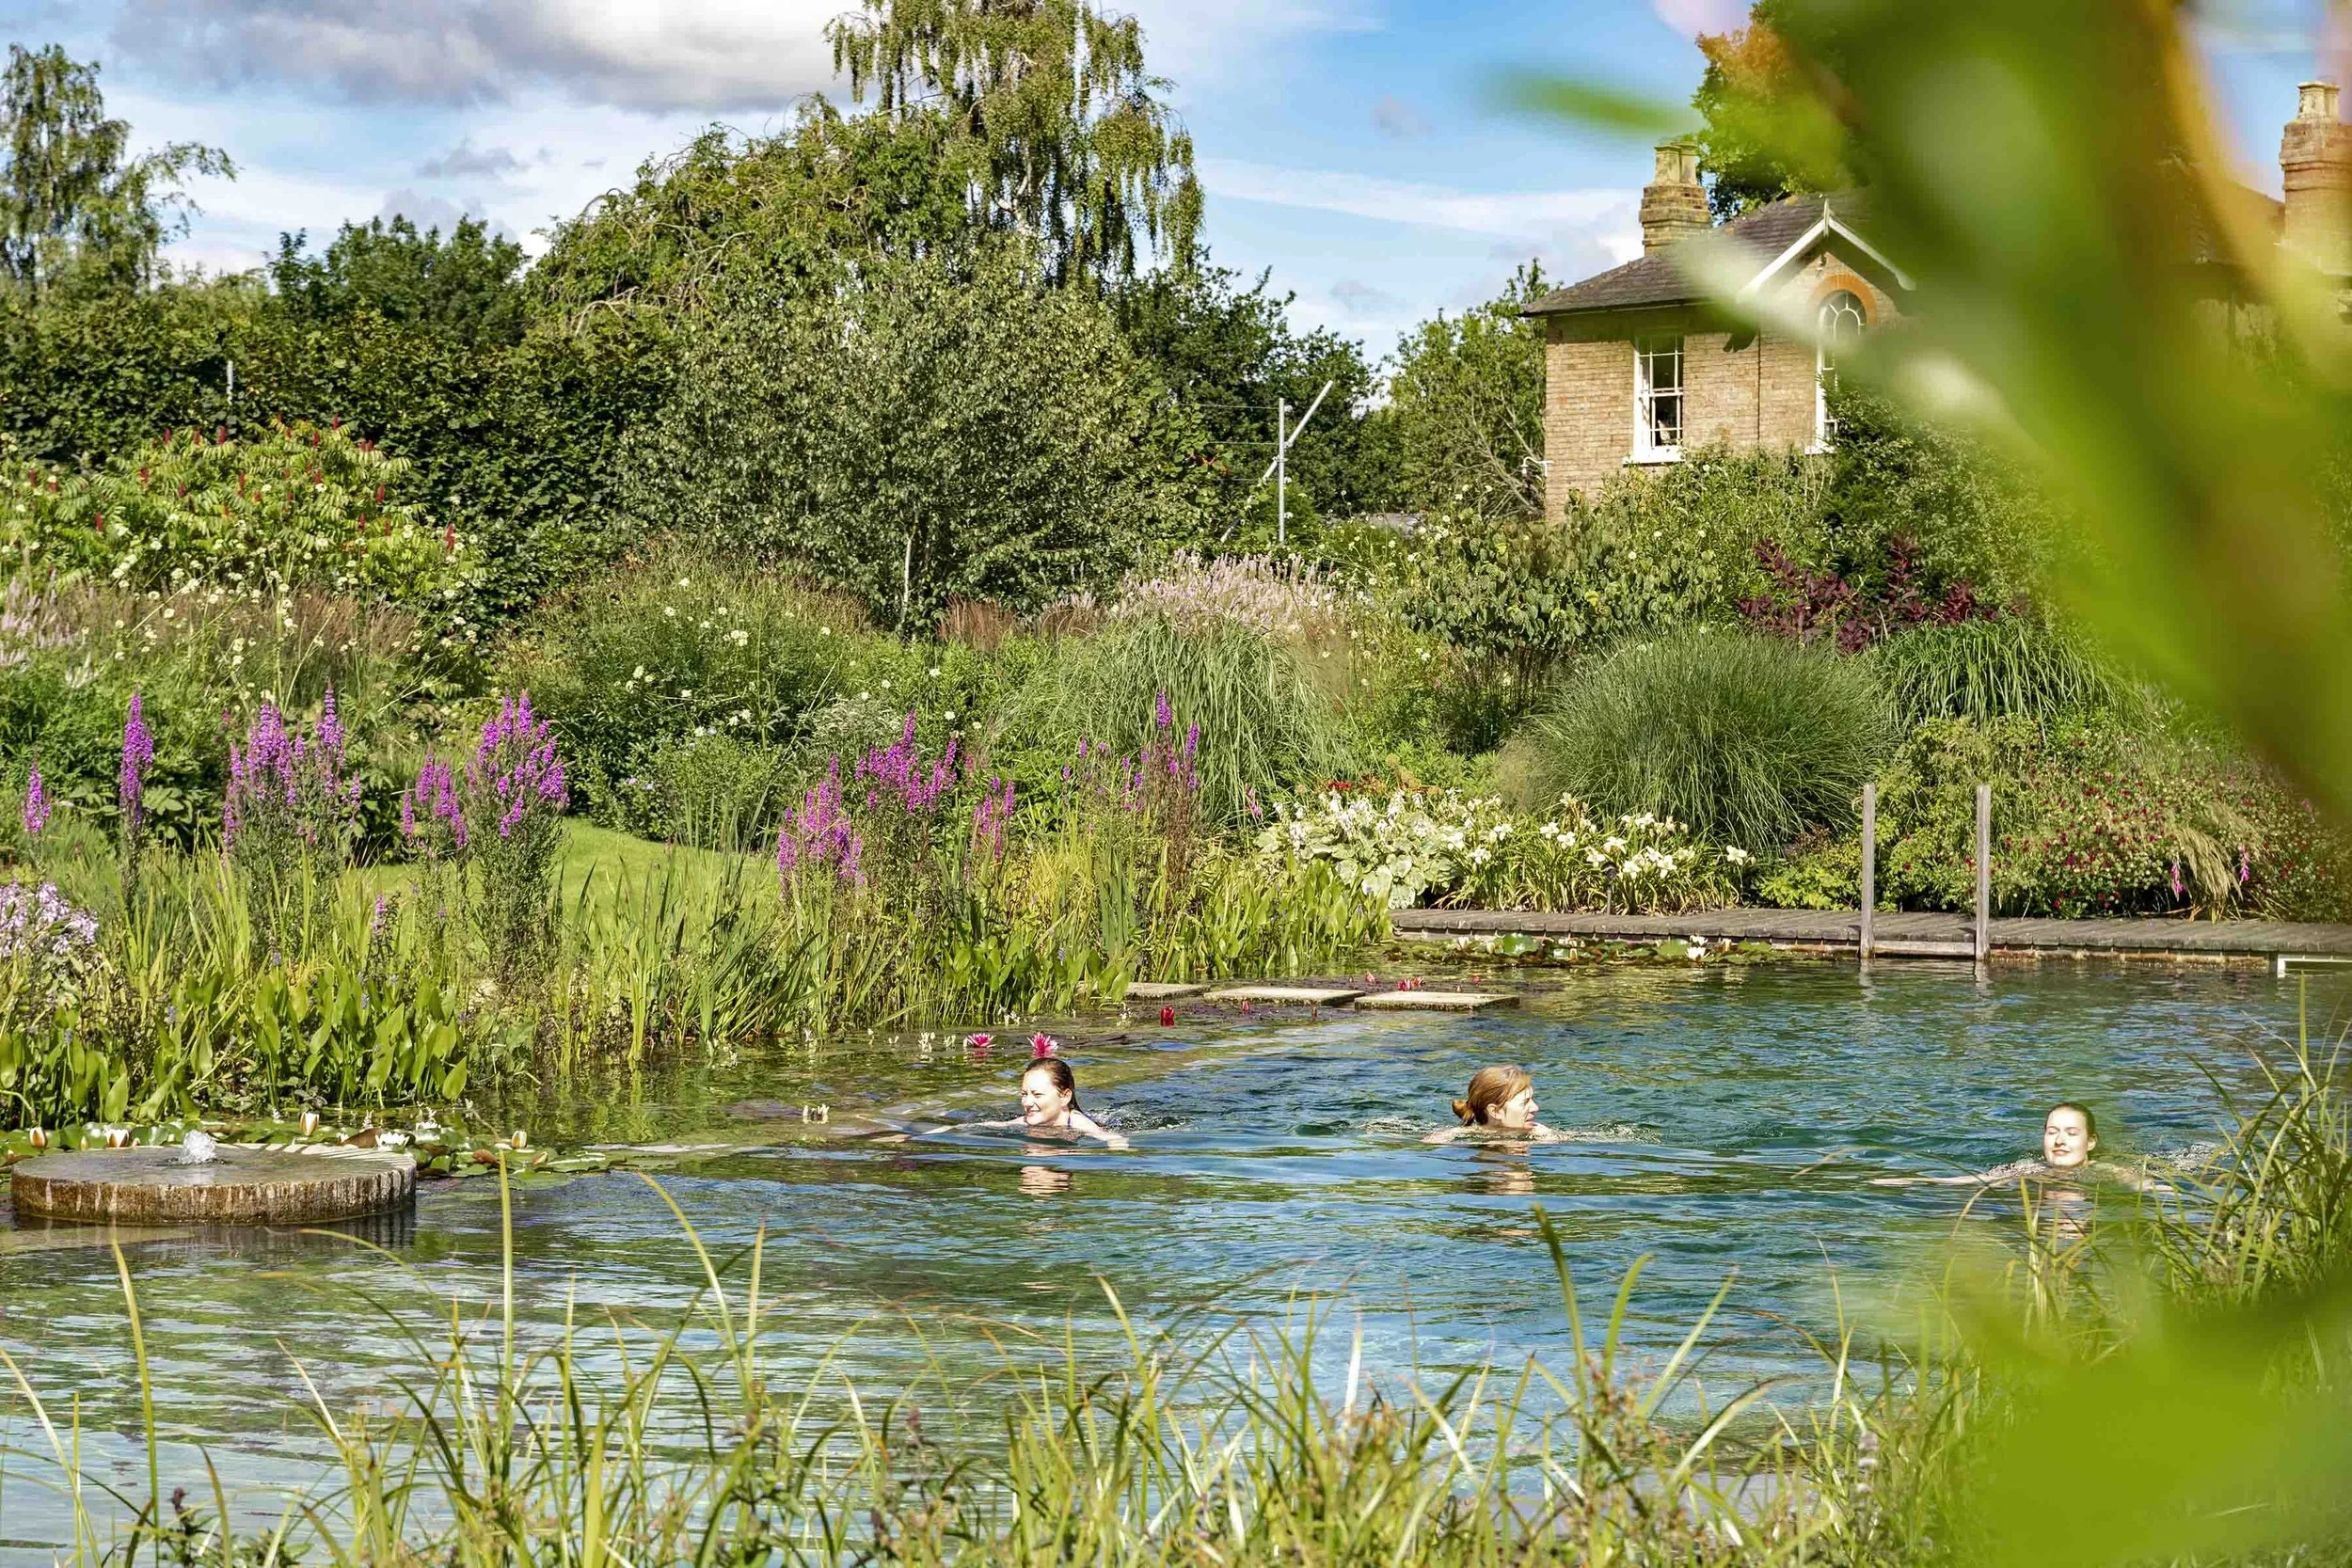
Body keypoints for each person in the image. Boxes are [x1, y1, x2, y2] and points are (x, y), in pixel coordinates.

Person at [1871, 1101, 2159, 1190]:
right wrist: (1913, 1181)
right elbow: (1975, 1180)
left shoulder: (2105, 1171)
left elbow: (2147, 1187)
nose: (2059, 1140)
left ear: (2091, 1142)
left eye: (2071, 1133)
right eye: (2052, 1132)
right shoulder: (2026, 1168)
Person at [977, 1053, 1129, 1148]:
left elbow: (1111, 1137)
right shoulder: (1025, 1120)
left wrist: (1117, 1147)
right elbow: (998, 1125)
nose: (1027, 1103)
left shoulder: (1077, 1123)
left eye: (1037, 1095)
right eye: (1024, 1094)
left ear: (1064, 1097)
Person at [1424, 1064, 1566, 1144]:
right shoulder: (1461, 1136)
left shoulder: (1541, 1132)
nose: (1535, 1108)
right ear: (1495, 1111)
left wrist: (1552, 1138)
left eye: (1532, 1100)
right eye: (1525, 1102)